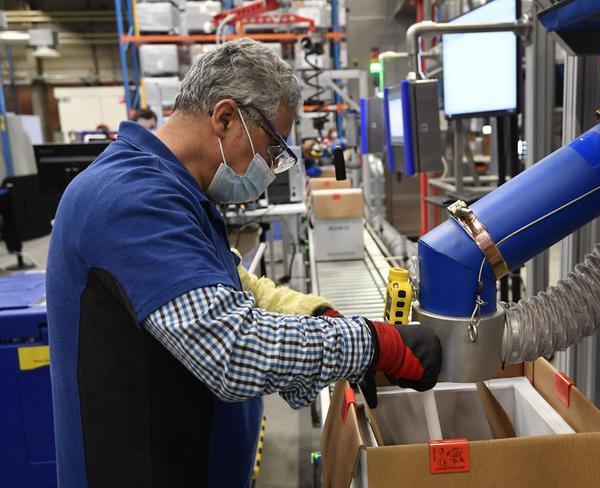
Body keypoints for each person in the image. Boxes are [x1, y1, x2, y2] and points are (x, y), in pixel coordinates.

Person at [46, 39, 443, 487]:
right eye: (273, 147)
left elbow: (239, 287)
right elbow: (232, 351)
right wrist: (372, 344)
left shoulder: (177, 192)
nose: (272, 168)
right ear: (226, 117)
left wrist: (318, 317)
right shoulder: (132, 199)